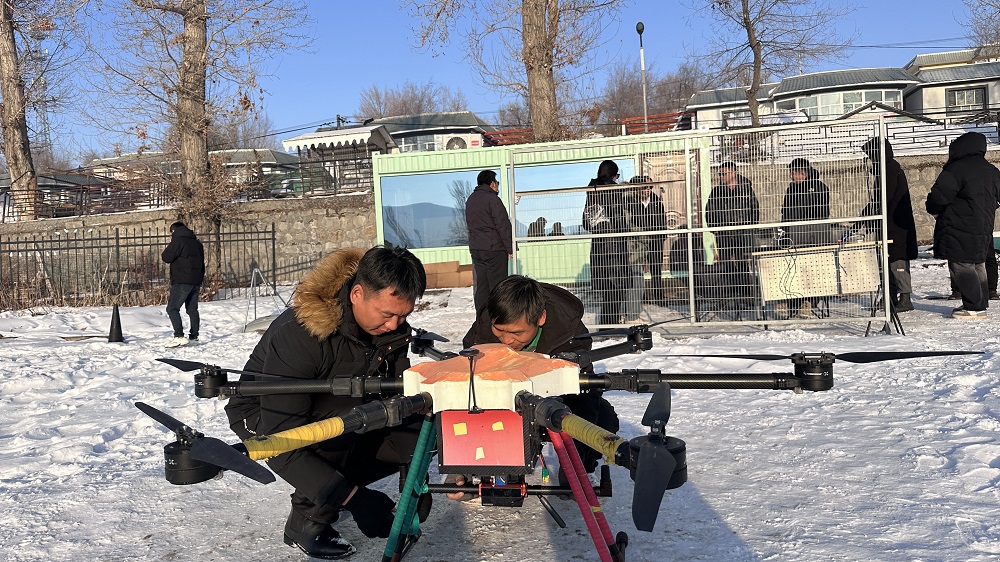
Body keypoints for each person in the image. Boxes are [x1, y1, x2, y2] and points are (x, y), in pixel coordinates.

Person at [224, 245, 428, 559]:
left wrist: (415, 478)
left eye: (404, 315)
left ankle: (333, 491)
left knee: (416, 423)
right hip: (264, 414)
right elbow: (281, 441)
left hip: (340, 404)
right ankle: (308, 521)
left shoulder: (392, 331)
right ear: (357, 294)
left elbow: (398, 399)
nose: (394, 324)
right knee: (346, 421)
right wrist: (358, 501)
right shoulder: (303, 333)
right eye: (388, 314)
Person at [460, 275, 620, 491]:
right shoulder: (486, 323)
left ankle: (578, 468)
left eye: (517, 333)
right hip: (501, 401)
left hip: (556, 400)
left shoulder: (569, 331)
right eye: (500, 330)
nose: (507, 340)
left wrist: (577, 462)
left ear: (541, 318)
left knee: (604, 417)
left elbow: (584, 394)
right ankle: (471, 468)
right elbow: (466, 380)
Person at [925, 132, 1000, 319]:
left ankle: (974, 307)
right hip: (984, 225)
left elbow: (938, 197)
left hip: (959, 225)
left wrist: (934, 209)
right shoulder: (991, 170)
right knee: (978, 263)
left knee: (961, 264)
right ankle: (980, 302)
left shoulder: (956, 169)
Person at [858, 138, 919, 312]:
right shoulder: (884, 170)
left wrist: (869, 215)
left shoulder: (890, 169)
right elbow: (878, 200)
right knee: (886, 260)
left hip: (896, 225)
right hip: (888, 224)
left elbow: (884, 198)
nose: (869, 160)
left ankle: (905, 298)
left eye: (871, 156)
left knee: (897, 260)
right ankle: (890, 296)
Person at [780, 158, 832, 318]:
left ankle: (809, 301)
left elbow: (821, 212)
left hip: (814, 235)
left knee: (813, 268)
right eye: (791, 173)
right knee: (795, 268)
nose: (792, 176)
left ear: (804, 173)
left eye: (795, 173)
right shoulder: (791, 189)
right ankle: (794, 301)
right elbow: (786, 212)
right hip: (795, 234)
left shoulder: (819, 188)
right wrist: (785, 230)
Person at [583, 160, 629, 324]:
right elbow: (619, 218)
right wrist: (625, 231)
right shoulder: (614, 190)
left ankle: (607, 324)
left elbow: (586, 222)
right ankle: (610, 326)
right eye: (617, 175)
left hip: (598, 245)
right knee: (616, 289)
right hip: (615, 245)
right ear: (613, 175)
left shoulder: (592, 191)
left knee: (608, 291)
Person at [466, 170, 513, 314]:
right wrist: (510, 247)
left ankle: (481, 319)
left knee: (482, 286)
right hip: (494, 249)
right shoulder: (493, 199)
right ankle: (498, 317)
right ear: (492, 183)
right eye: (497, 182)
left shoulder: (471, 200)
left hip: (477, 249)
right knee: (498, 287)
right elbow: (503, 225)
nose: (498, 185)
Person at [705, 161, 760, 269]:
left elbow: (754, 208)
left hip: (743, 232)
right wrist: (714, 228)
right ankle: (728, 280)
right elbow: (709, 210)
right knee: (726, 265)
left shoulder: (746, 190)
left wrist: (752, 227)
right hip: (724, 233)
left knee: (743, 263)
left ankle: (744, 280)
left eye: (724, 174)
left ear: (733, 173)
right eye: (720, 174)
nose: (721, 176)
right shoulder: (717, 192)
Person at [625, 175, 669, 303]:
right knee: (638, 268)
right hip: (638, 240)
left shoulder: (656, 201)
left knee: (656, 268)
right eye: (645, 187)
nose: (648, 189)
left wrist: (662, 236)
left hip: (655, 239)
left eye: (650, 187)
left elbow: (662, 219)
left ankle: (659, 296)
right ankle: (642, 296)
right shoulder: (631, 202)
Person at [161, 221, 205, 347]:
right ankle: (194, 337)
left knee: (172, 308)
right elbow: (202, 263)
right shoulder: (197, 243)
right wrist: (200, 279)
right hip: (195, 280)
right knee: (192, 309)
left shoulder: (178, 241)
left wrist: (171, 244)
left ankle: (179, 336)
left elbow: (166, 257)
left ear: (173, 231)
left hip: (181, 280)